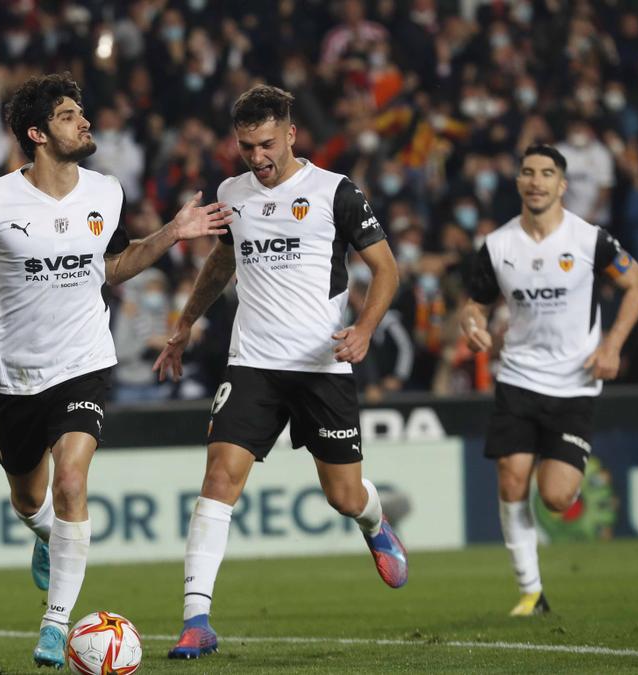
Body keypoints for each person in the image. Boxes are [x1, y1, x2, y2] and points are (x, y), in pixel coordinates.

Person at [0, 73, 230, 668]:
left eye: (81, 112)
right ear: (37, 134)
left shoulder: (105, 191)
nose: (84, 123)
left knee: (70, 484)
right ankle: (46, 538)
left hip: (84, 362)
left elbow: (113, 266)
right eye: (68, 116)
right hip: (15, 374)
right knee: (28, 497)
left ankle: (55, 626)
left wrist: (171, 233)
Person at [152, 85, 409, 660]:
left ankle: (374, 522)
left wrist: (364, 328)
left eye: (266, 144)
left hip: (322, 364)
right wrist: (186, 323)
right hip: (253, 363)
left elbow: (386, 268)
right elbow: (224, 259)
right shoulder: (230, 193)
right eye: (246, 147)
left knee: (343, 495)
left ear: (291, 134)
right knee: (219, 477)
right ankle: (196, 618)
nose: (257, 157)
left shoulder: (335, 191)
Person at [459, 144, 638, 616]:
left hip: (575, 382)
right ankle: (530, 591)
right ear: (519, 182)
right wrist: (473, 324)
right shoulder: (499, 245)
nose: (536, 180)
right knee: (511, 478)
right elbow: (475, 302)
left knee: (557, 497)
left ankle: (567, 467)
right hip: (520, 377)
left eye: (547, 173)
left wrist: (612, 345)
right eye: (528, 172)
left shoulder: (589, 239)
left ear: (562, 185)